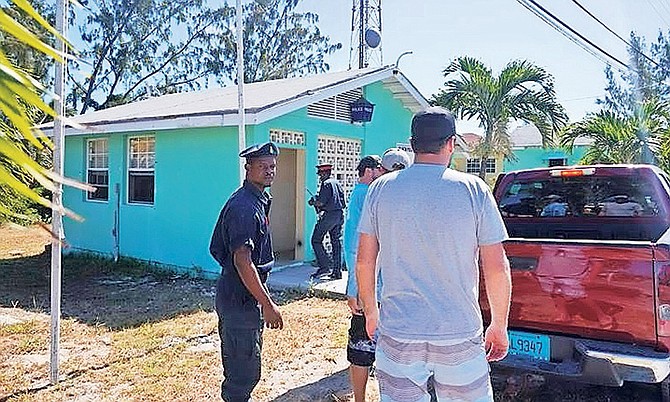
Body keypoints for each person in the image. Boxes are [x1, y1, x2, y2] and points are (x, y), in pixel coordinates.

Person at [356, 107, 512, 402]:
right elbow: (496, 267)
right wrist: (499, 325)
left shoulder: (380, 189)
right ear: (451, 143)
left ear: (412, 144)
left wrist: (371, 311)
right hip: (459, 331)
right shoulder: (473, 189)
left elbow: (365, 260)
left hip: (399, 330)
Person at [209, 142, 284, 402]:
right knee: (242, 375)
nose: (269, 171)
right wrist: (268, 305)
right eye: (262, 166)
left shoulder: (257, 200)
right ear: (248, 168)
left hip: (242, 295)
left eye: (272, 166)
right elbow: (243, 260)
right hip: (239, 298)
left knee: (247, 367)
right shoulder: (244, 207)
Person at [344, 151, 408, 402]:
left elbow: (354, 246)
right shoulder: (412, 195)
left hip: (376, 292)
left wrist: (354, 288)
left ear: (380, 169)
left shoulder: (373, 195)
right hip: (396, 293)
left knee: (364, 349)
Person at [309, 163, 346, 279]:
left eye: (320, 175)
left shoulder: (326, 184)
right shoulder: (337, 183)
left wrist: (313, 202)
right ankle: (337, 271)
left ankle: (324, 267)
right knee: (336, 243)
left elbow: (321, 203)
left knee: (316, 240)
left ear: (325, 173)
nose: (320, 177)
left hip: (329, 216)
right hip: (339, 215)